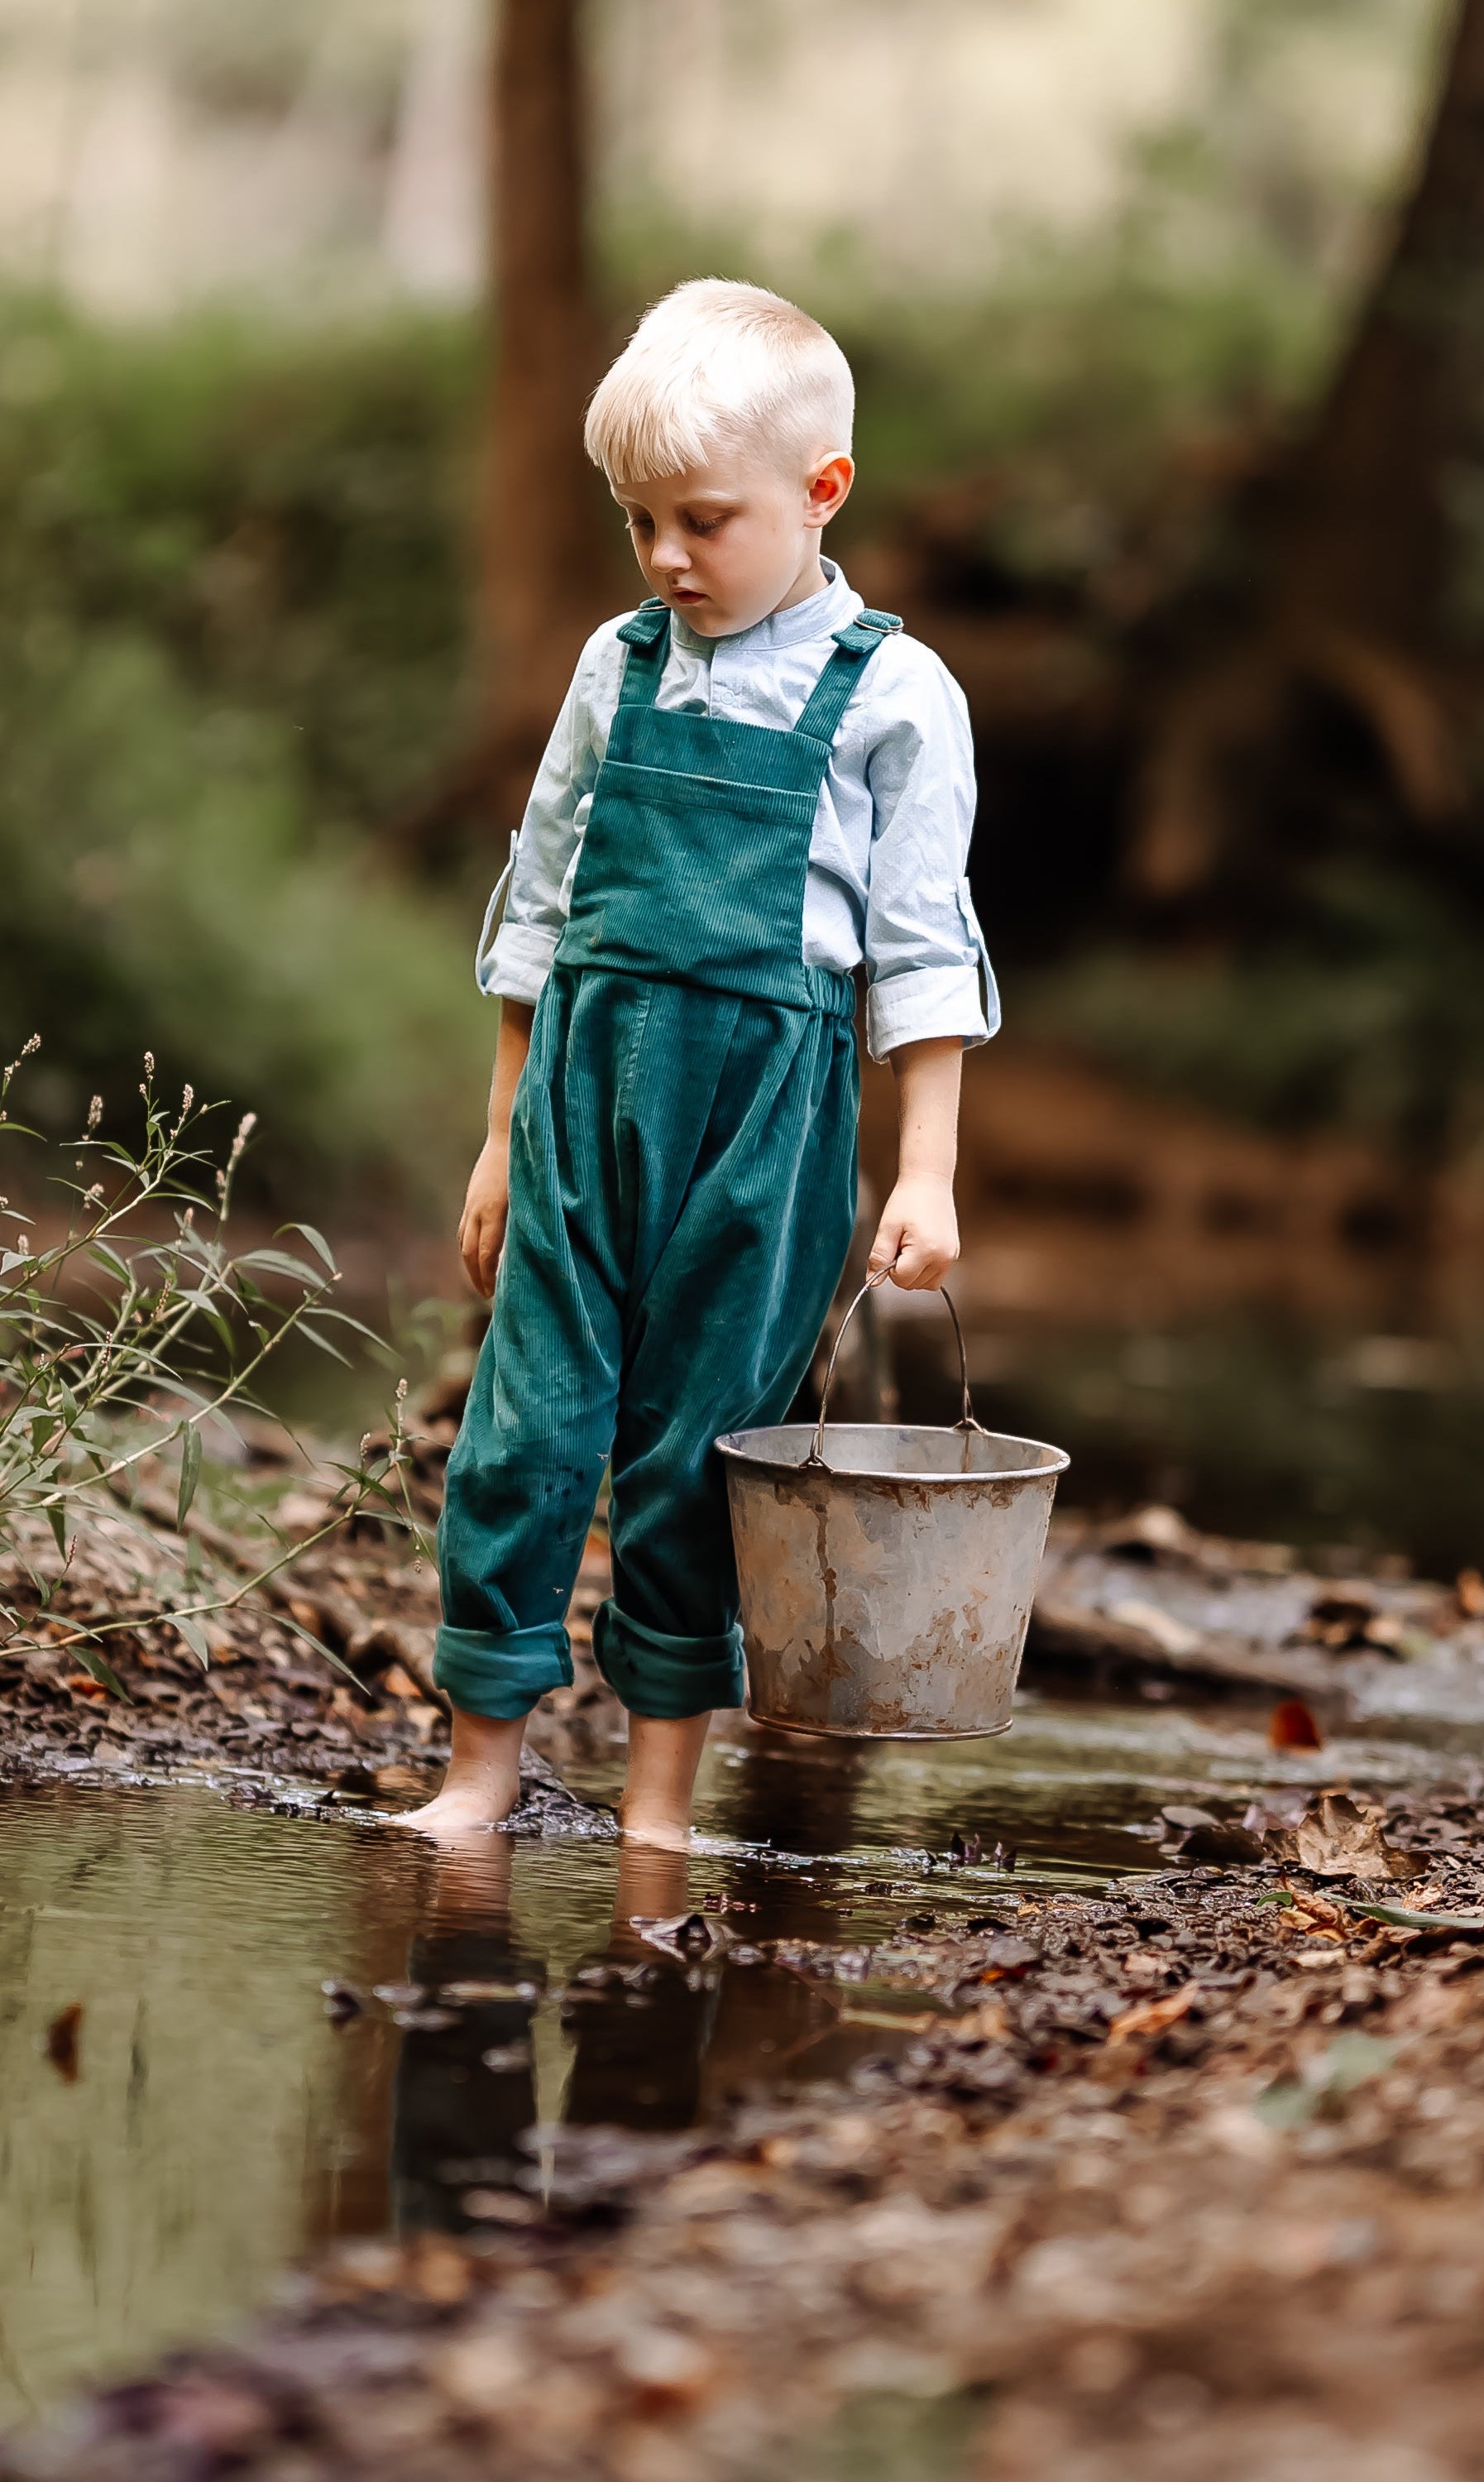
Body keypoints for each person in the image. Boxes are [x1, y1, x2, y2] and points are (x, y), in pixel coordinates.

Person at [401, 279, 998, 1847]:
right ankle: (481, 1771)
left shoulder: (893, 694)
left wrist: (926, 1169)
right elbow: (537, 906)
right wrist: (497, 1137)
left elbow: (924, 949)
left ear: (823, 493)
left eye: (704, 521)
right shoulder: (622, 664)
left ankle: (661, 1805)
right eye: (641, 522)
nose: (668, 557)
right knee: (524, 1427)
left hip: (766, 1118)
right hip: (586, 1090)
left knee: (696, 1452)